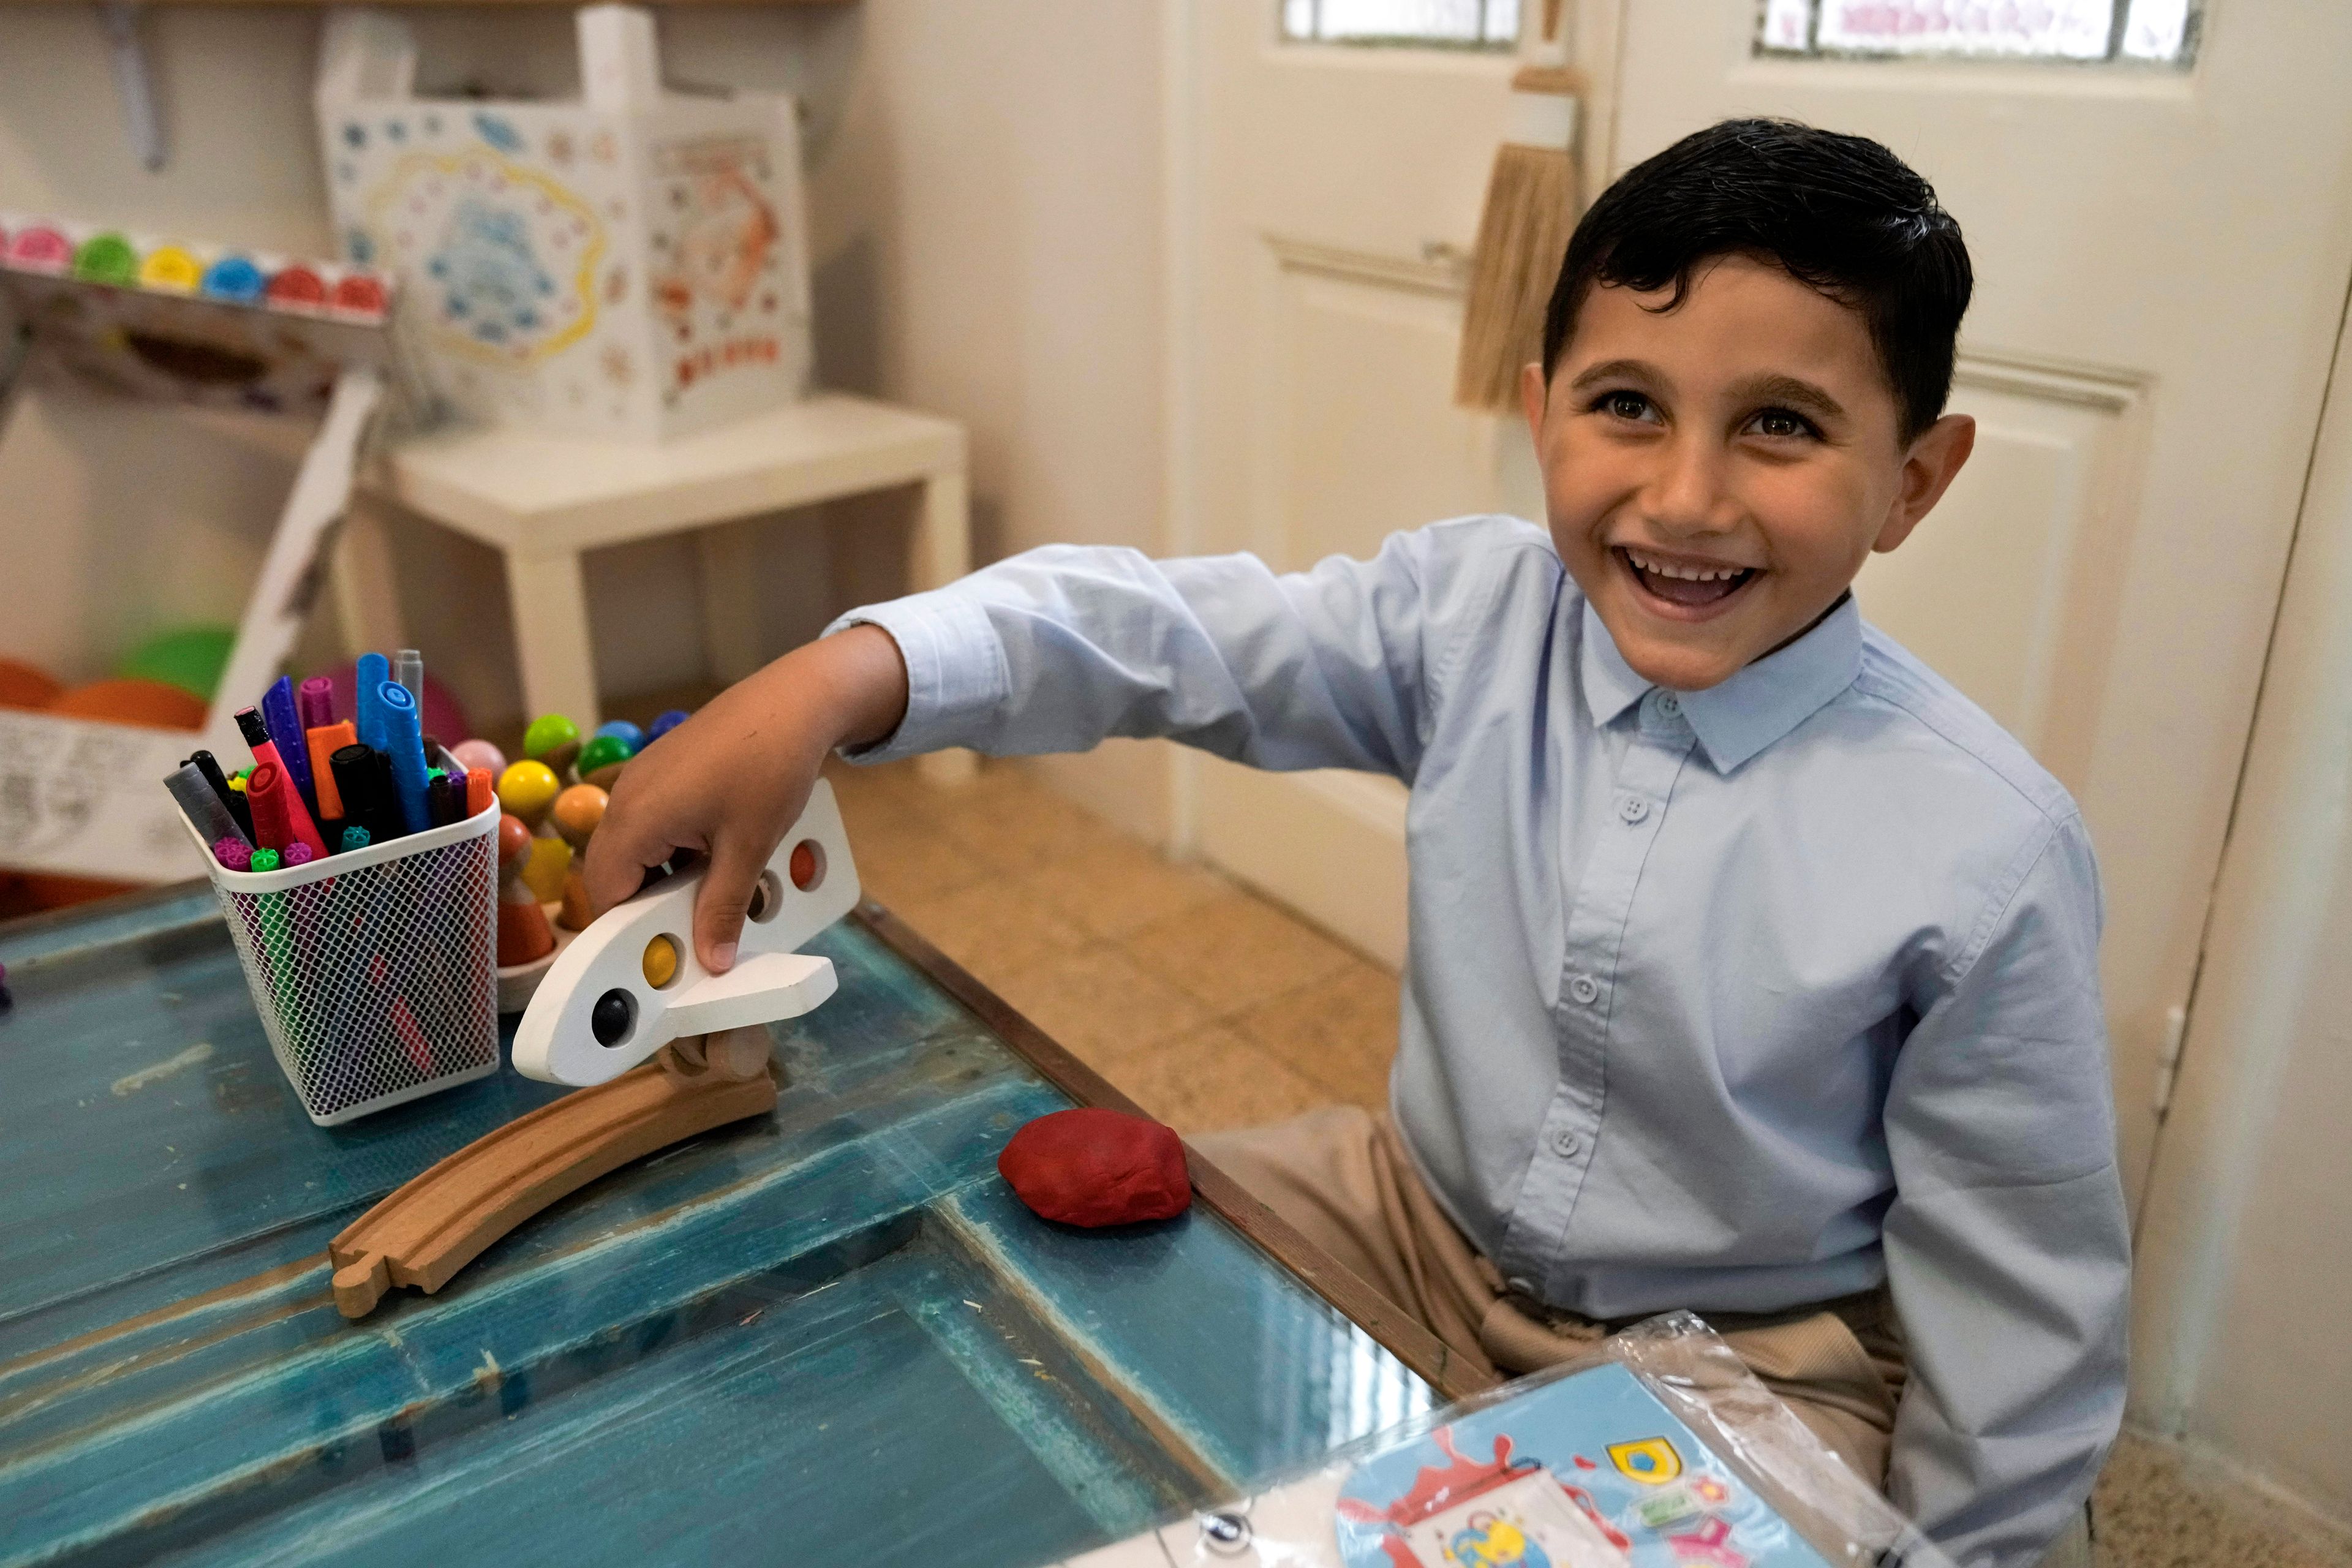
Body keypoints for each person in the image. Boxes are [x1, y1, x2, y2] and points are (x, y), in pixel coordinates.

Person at [584, 118, 2126, 1568]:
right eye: (1626, 405)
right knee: (1004, 1300)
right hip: (1400, 1216)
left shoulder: (1986, 848)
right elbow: (1171, 628)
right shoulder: (1469, 616)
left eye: (1780, 425)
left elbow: (2023, 1319)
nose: (1685, 494)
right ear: (1540, 412)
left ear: (1914, 480)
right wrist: (844, 674)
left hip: (1748, 1354)